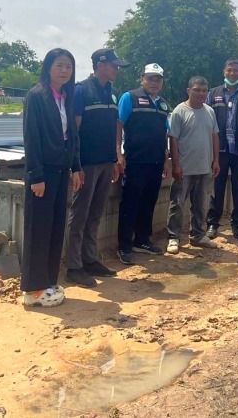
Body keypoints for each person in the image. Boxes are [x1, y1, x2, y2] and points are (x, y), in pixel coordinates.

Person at [21, 48, 82, 307]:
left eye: (68, 66)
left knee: (56, 228)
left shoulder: (67, 97)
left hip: (61, 171)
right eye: (59, 65)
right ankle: (32, 290)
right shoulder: (36, 97)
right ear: (48, 68)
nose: (64, 71)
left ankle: (47, 281)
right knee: (39, 229)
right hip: (42, 172)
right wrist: (35, 176)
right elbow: (31, 138)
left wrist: (76, 167)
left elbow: (72, 136)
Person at [65, 49, 128, 288]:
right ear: (100, 65)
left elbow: (113, 129)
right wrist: (76, 165)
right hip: (86, 164)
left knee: (95, 214)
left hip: (105, 163)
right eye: (114, 65)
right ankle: (74, 266)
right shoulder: (81, 90)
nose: (117, 70)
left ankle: (90, 259)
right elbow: (74, 131)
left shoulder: (112, 93)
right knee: (79, 214)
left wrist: (115, 158)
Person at [117, 63, 171, 263]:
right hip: (135, 159)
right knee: (130, 202)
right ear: (142, 78)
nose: (154, 82)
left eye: (158, 79)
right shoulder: (129, 97)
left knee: (149, 202)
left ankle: (142, 240)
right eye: (150, 78)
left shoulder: (163, 104)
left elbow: (164, 132)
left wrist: (166, 159)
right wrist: (118, 153)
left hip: (156, 161)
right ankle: (124, 246)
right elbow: (119, 124)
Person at [205, 58, 238, 241]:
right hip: (219, 152)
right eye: (229, 70)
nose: (232, 73)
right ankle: (213, 224)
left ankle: (237, 225)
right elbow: (206, 122)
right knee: (217, 189)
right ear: (224, 72)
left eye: (236, 71)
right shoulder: (213, 94)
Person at [167, 76, 221, 254]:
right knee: (177, 204)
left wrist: (216, 161)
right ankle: (173, 237)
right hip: (184, 168)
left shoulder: (209, 111)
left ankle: (198, 235)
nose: (201, 93)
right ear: (188, 90)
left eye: (204, 90)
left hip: (204, 167)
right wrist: (176, 164)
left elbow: (215, 136)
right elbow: (173, 139)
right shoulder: (179, 111)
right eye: (197, 90)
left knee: (200, 204)